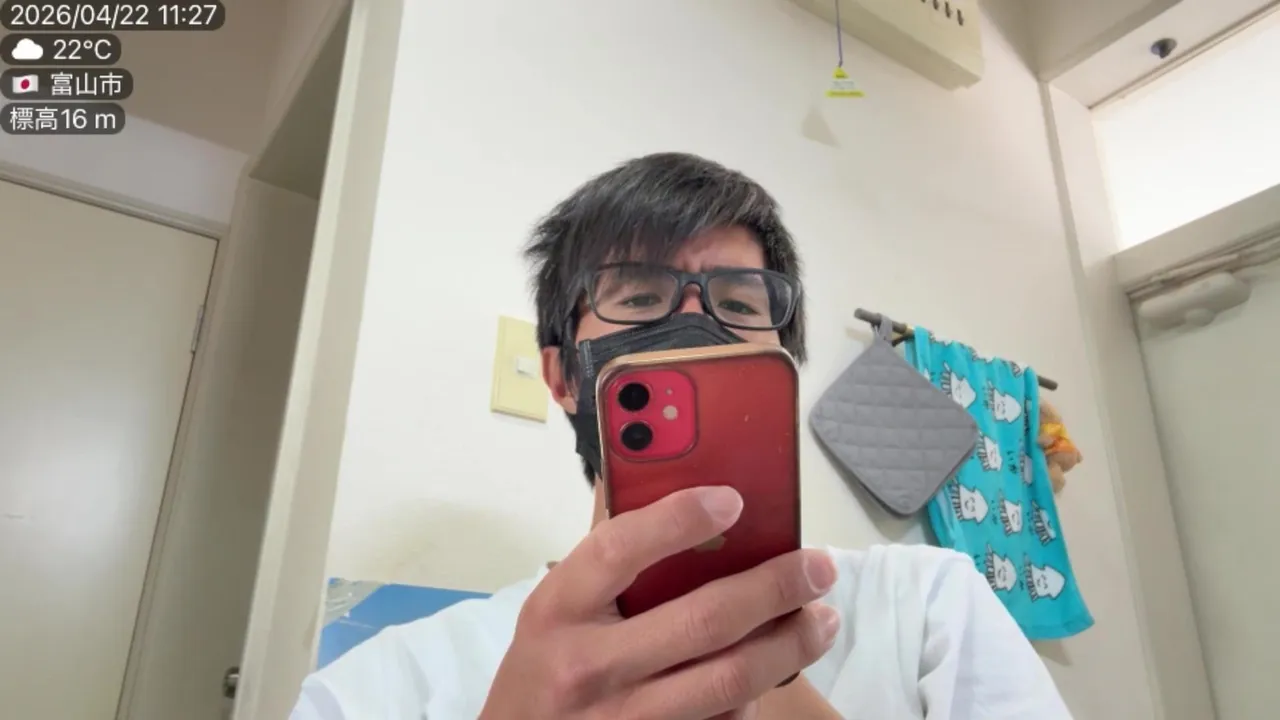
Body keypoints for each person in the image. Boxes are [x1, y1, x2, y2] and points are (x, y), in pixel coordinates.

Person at [291, 153, 1072, 719]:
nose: (695, 323)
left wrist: (761, 678)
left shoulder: (928, 604)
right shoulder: (382, 686)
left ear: (784, 359)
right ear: (562, 377)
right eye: (638, 297)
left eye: (739, 304)